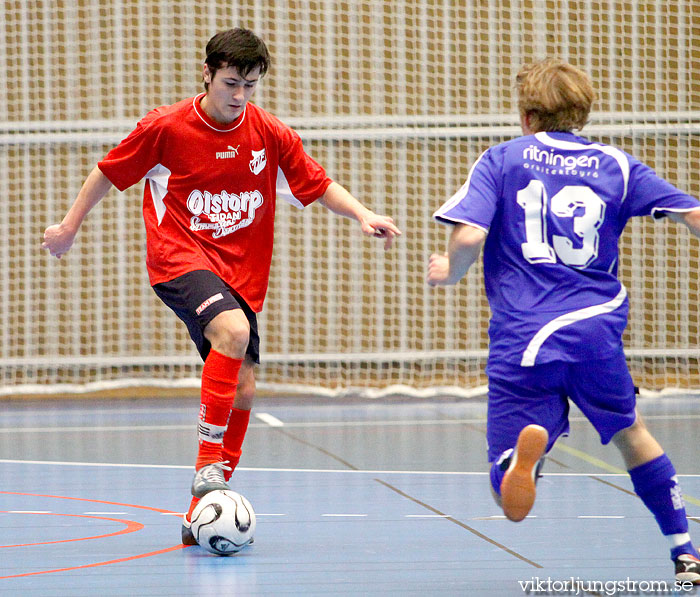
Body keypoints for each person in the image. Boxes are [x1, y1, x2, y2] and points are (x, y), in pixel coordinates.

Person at [42, 27, 401, 546]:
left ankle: (201, 511)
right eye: (231, 82)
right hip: (179, 259)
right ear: (206, 73)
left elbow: (316, 183)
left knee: (245, 389)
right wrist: (68, 226)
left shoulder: (268, 133)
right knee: (231, 332)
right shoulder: (166, 127)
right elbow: (107, 172)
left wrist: (363, 214)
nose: (239, 96)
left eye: (249, 86)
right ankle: (208, 466)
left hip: (242, 275)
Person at [427, 58, 700, 583]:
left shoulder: (503, 160)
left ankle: (522, 459)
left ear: (526, 116)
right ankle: (684, 549)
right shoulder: (617, 166)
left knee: (507, 497)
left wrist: (449, 273)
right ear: (583, 112)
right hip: (595, 331)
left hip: (523, 337)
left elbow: (467, 237)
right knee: (631, 432)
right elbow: (691, 214)